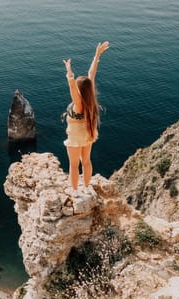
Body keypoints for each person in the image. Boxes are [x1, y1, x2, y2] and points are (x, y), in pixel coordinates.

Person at [62, 41, 109, 192]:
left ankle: (75, 192)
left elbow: (72, 88)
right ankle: (87, 187)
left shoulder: (78, 104)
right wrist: (97, 56)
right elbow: (91, 74)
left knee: (74, 165)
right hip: (88, 134)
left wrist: (69, 73)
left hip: (75, 137)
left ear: (79, 89)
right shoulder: (91, 100)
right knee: (86, 162)